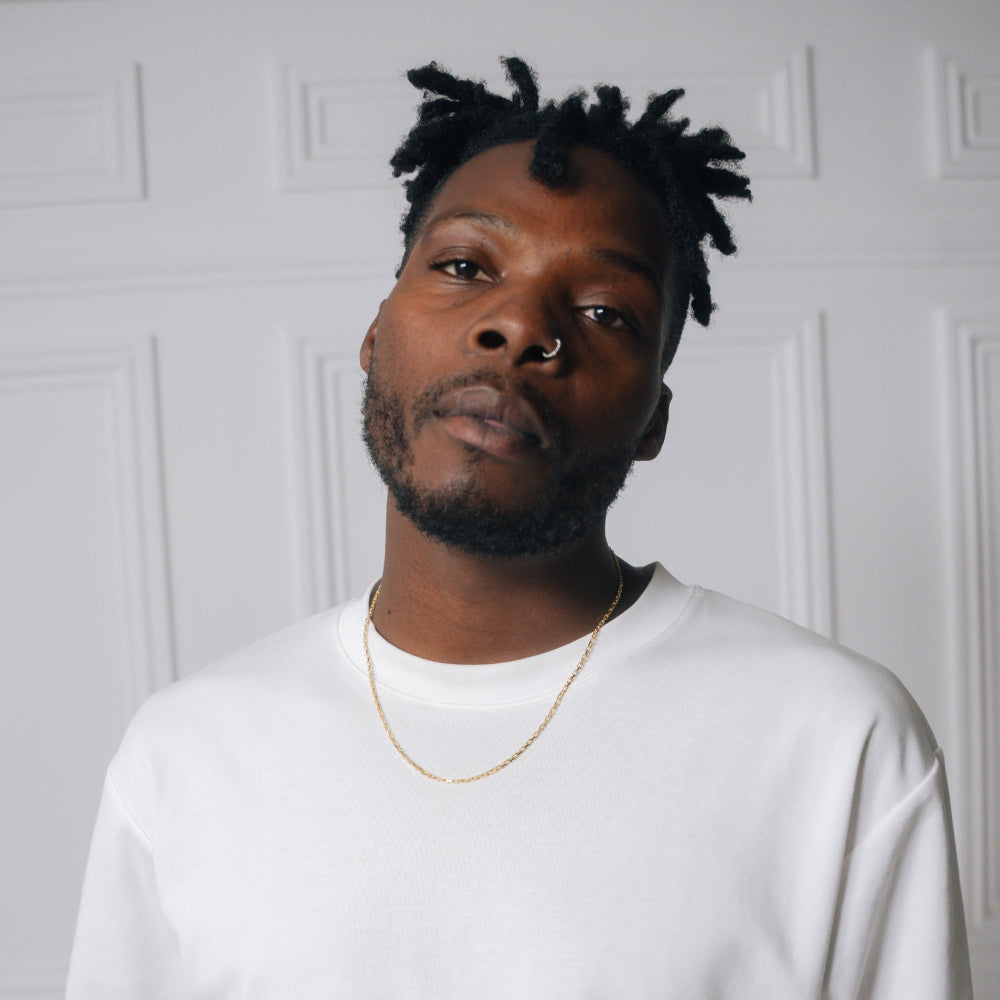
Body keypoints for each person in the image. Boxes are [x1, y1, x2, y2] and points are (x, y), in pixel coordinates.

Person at [66, 57, 973, 998]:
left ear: (654, 418)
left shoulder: (836, 740)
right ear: (375, 336)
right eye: (464, 266)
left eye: (603, 311)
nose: (518, 326)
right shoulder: (188, 753)